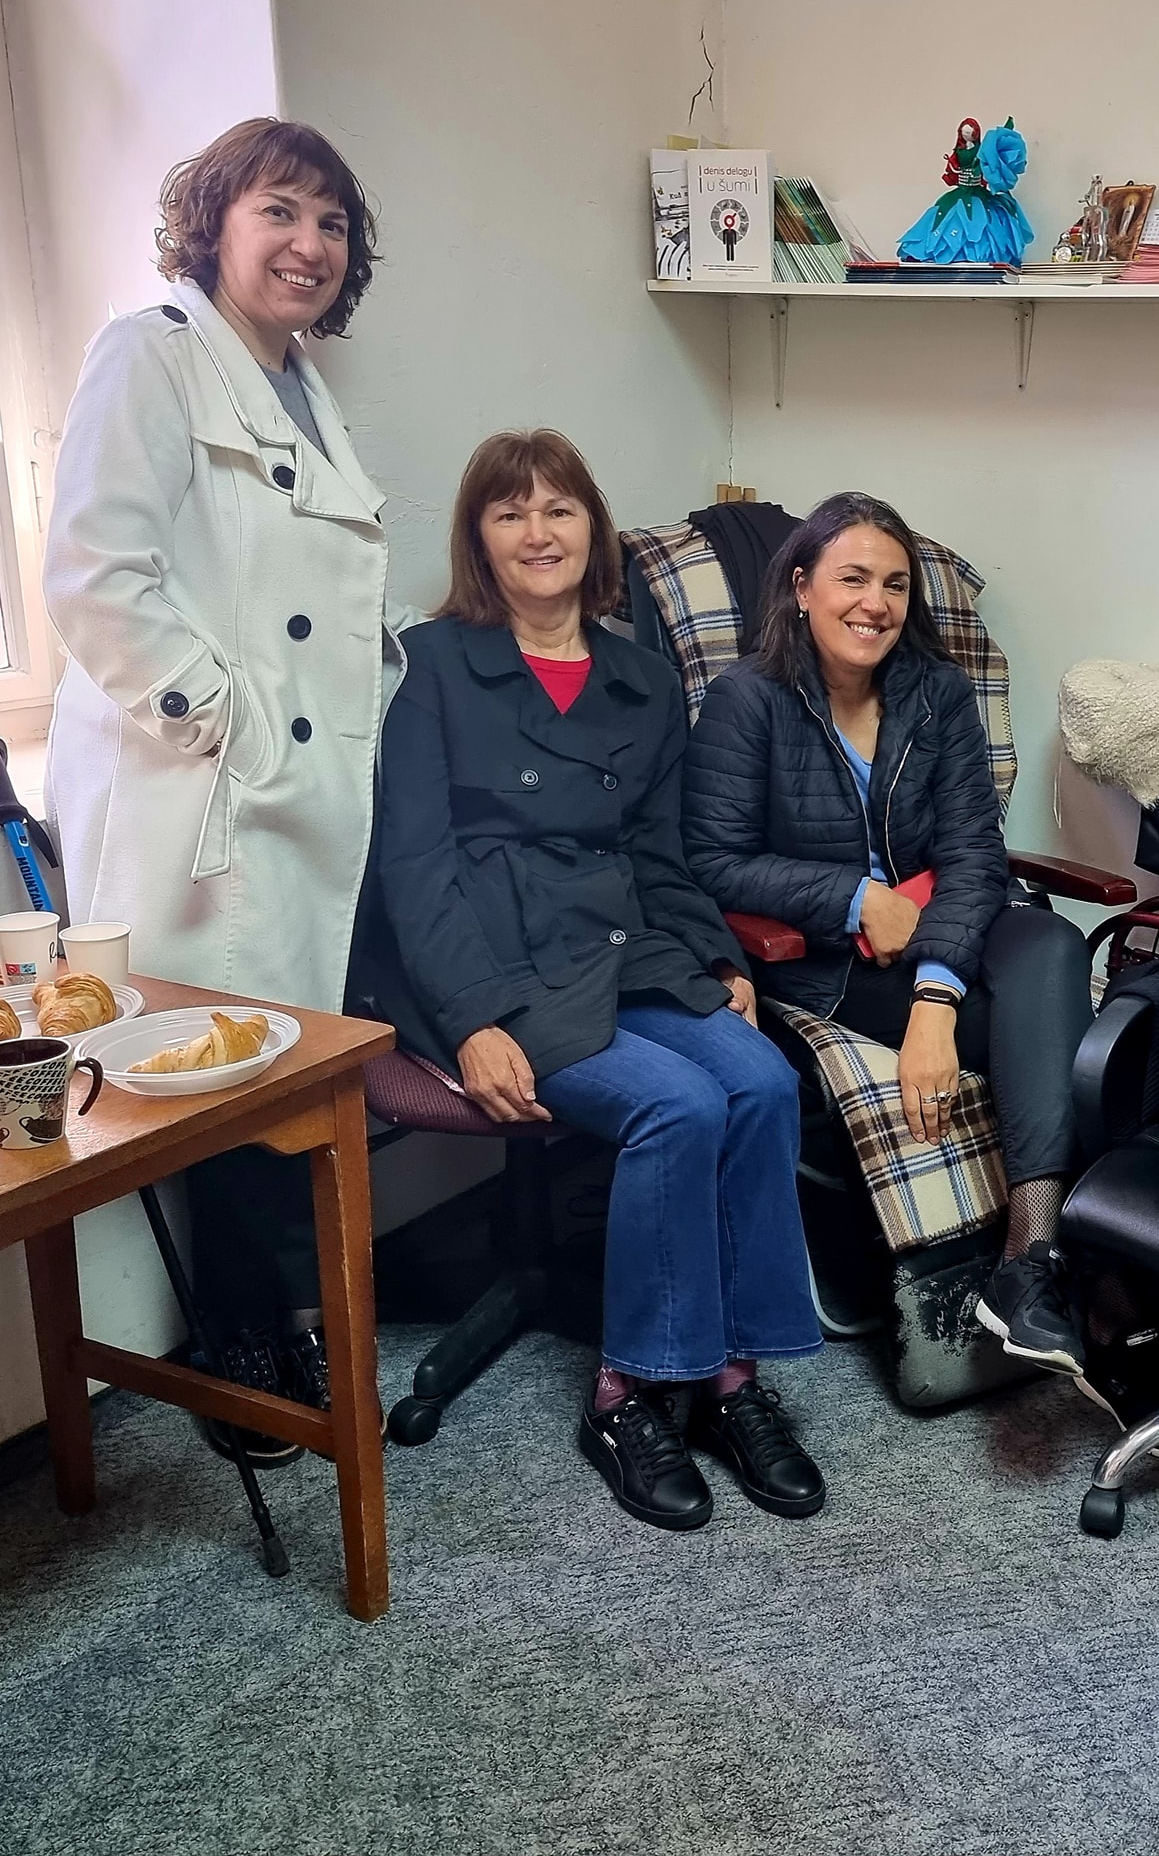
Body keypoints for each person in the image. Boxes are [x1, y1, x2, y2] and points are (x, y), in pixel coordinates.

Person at [358, 430, 821, 1530]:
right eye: (509, 511)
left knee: (762, 1080)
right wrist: (472, 1020)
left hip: (622, 942)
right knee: (677, 1106)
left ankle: (729, 1378)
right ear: (478, 538)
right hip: (489, 961)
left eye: (558, 508)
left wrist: (714, 956)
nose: (538, 532)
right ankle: (628, 1395)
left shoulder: (643, 680)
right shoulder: (429, 667)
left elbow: (659, 852)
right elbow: (413, 869)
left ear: (592, 530)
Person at [42, 118, 409, 1461]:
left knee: (272, 1059)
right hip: (192, 783)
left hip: (293, 785)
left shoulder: (299, 383)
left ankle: (272, 1318)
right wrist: (223, 719)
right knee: (215, 1062)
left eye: (332, 223)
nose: (309, 245)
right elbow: (95, 575)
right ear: (213, 224)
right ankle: (242, 1337)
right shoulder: (151, 352)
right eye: (279, 212)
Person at [680, 491, 1095, 1372]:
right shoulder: (746, 700)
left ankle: (1028, 1262)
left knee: (1055, 947)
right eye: (853, 578)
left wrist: (936, 1000)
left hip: (944, 933)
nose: (876, 603)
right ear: (801, 587)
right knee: (1057, 1035)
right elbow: (712, 859)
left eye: (896, 585)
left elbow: (974, 851)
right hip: (827, 962)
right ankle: (1046, 1263)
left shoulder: (937, 692)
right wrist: (853, 897)